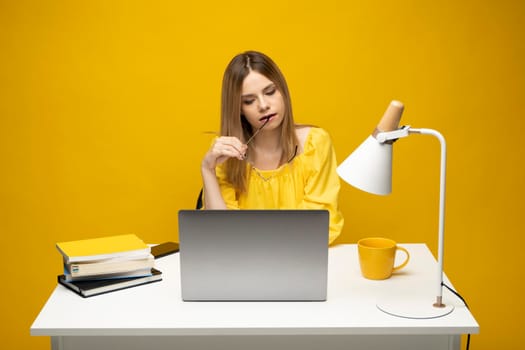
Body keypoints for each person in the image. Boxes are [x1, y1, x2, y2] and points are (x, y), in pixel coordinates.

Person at [201, 51, 344, 244]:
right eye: (249, 101)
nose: (263, 105)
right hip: (243, 264)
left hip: (299, 259)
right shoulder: (225, 152)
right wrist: (207, 169)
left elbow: (318, 226)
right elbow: (220, 234)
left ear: (283, 91)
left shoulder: (315, 143)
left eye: (270, 92)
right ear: (238, 109)